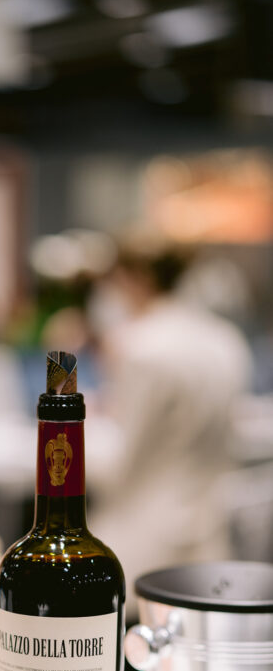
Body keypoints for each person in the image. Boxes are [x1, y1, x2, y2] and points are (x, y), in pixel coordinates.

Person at [85, 233, 252, 622]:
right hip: (208, 537)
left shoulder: (142, 347)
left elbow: (122, 465)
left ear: (133, 278)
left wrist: (68, 433)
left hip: (146, 541)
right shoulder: (225, 339)